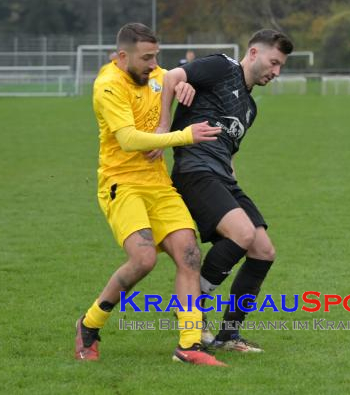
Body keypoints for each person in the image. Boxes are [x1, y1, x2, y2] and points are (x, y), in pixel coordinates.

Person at [74, 22, 226, 367]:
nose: (152, 64)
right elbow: (128, 140)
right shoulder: (108, 85)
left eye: (156, 56)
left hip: (157, 184)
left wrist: (183, 84)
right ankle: (90, 325)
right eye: (146, 58)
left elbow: (170, 78)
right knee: (144, 260)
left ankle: (189, 345)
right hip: (121, 183)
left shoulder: (156, 73)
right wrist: (181, 136)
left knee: (189, 255)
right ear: (123, 55)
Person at [155, 29, 294, 352]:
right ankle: (192, 301)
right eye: (274, 62)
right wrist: (164, 127)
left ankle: (228, 335)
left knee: (263, 251)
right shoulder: (221, 67)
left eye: (281, 66)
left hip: (221, 177)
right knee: (242, 234)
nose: (276, 72)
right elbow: (172, 75)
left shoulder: (250, 108)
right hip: (194, 171)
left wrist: (233, 189)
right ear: (254, 53)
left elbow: (228, 154)